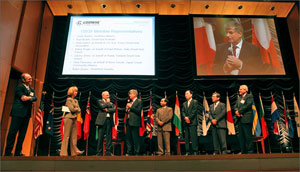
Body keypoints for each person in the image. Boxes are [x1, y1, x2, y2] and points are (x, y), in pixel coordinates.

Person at [5, 73, 37, 156]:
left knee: (22, 134)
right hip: (18, 113)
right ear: (23, 80)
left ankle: (18, 152)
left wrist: (29, 98)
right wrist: (30, 99)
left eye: (31, 78)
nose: (31, 80)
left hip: (26, 114)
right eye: (29, 79)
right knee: (13, 132)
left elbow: (35, 98)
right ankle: (8, 152)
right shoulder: (19, 88)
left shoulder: (32, 89)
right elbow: (23, 98)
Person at [60, 86, 83, 156]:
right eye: (75, 91)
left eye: (76, 91)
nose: (76, 93)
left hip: (74, 118)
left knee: (74, 136)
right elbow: (72, 109)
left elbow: (79, 110)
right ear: (71, 92)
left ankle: (74, 152)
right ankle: (63, 153)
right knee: (66, 136)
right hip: (68, 118)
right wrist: (76, 108)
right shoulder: (68, 100)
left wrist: (75, 108)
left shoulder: (76, 101)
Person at [95, 91, 116, 156]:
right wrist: (107, 103)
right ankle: (99, 152)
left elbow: (114, 109)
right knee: (100, 137)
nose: (108, 96)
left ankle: (108, 152)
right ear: (103, 96)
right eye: (107, 95)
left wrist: (107, 109)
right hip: (101, 121)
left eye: (108, 95)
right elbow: (101, 107)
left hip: (109, 121)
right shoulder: (99, 101)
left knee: (109, 137)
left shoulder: (111, 103)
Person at [234, 85, 254, 154]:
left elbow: (247, 106)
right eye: (239, 89)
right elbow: (235, 106)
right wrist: (236, 111)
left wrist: (239, 112)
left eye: (241, 89)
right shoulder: (239, 98)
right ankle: (243, 151)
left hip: (246, 119)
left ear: (245, 90)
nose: (239, 90)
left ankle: (250, 151)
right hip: (239, 119)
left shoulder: (249, 96)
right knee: (241, 137)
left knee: (248, 136)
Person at [125, 89, 143, 156]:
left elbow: (138, 111)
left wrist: (131, 107)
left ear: (134, 94)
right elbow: (127, 112)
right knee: (128, 138)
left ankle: (137, 152)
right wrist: (127, 109)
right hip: (128, 122)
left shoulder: (139, 101)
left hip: (135, 122)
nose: (129, 95)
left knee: (135, 138)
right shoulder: (130, 102)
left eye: (130, 94)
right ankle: (129, 152)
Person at [182, 90, 199, 155]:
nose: (185, 95)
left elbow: (194, 111)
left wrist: (189, 118)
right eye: (185, 94)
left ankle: (195, 151)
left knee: (193, 137)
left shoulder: (195, 102)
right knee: (186, 137)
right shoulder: (184, 103)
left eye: (187, 94)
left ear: (191, 95)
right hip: (186, 122)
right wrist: (185, 118)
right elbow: (182, 112)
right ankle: (187, 151)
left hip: (192, 122)